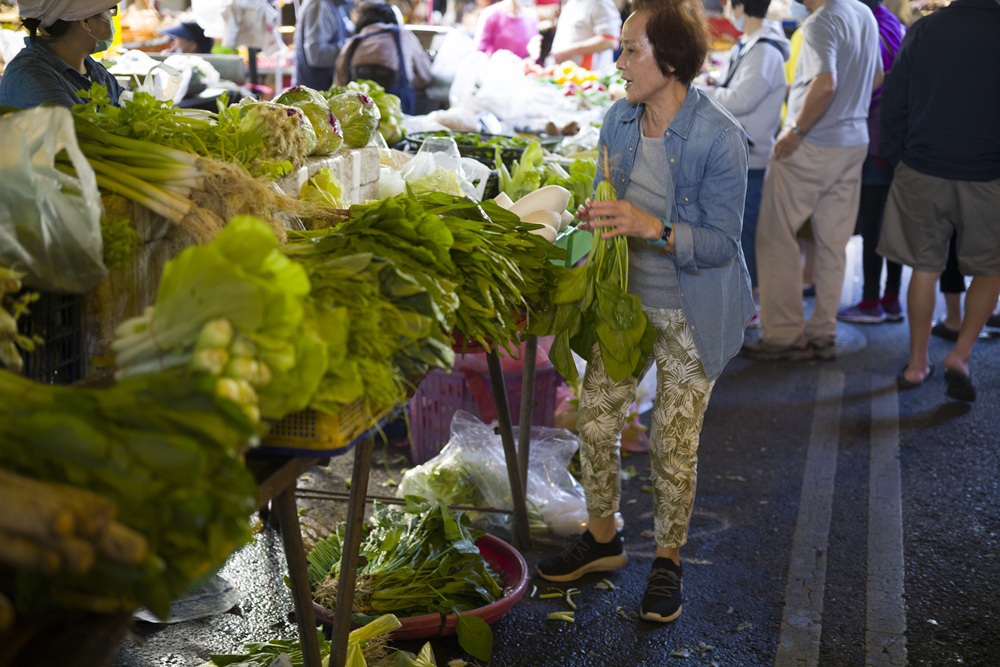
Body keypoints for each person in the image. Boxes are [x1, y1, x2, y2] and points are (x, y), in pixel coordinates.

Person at [535, 0, 755, 624]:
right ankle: (603, 541)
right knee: (596, 422)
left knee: (671, 445)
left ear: (673, 59)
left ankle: (667, 561)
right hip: (626, 305)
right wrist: (594, 218)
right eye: (622, 47)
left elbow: (720, 244)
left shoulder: (719, 135)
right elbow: (607, 196)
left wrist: (649, 226)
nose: (620, 60)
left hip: (696, 307)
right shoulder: (618, 121)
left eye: (632, 49)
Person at [741, 0, 882, 361]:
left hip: (812, 145)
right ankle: (823, 330)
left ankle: (785, 334)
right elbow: (877, 76)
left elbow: (825, 83)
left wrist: (797, 131)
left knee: (776, 236)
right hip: (853, 143)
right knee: (833, 243)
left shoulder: (821, 23)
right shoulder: (862, 12)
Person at [876, 0, 1000, 401]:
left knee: (924, 268)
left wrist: (896, 156)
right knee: (992, 268)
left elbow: (894, 96)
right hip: (989, 172)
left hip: (921, 167)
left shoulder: (926, 30)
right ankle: (960, 355)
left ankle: (916, 365)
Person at [701, 0, 789, 318]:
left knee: (744, 229)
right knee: (735, 227)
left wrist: (699, 89)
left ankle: (747, 303)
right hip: (737, 151)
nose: (726, 12)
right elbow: (730, 84)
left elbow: (741, 99)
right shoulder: (749, 43)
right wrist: (711, 82)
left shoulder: (765, 49)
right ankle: (739, 297)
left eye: (728, 5)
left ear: (740, 7)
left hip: (752, 155)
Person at [835, 0, 905, 325]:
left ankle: (870, 301)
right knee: (891, 223)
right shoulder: (894, 24)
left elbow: (871, 83)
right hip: (896, 141)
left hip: (873, 140)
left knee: (872, 225)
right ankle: (891, 299)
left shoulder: (867, 27)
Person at [0, 0, 125, 108]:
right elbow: (75, 133)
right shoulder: (30, 76)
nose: (111, 18)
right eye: (110, 11)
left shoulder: (96, 71)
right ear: (85, 21)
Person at [333, 0, 432, 115]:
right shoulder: (403, 35)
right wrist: (408, 81)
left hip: (360, 118)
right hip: (396, 117)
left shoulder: (352, 42)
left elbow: (339, 83)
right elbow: (425, 76)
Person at [294, 0, 355, 91]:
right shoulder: (318, 4)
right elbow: (316, 56)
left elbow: (348, 29)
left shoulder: (335, 5)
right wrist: (351, 45)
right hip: (314, 93)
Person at [548, 0, 621, 72]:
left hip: (588, 77)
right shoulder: (572, 2)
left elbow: (610, 41)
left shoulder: (600, 2)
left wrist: (570, 50)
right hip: (565, 75)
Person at [473, 0, 539, 59]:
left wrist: (533, 55)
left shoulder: (532, 16)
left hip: (523, 71)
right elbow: (477, 54)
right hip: (496, 70)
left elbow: (533, 54)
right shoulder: (491, 14)